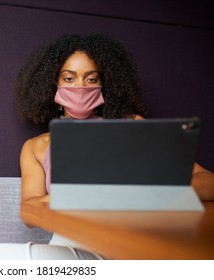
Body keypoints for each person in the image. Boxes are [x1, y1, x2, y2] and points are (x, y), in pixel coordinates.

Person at [15, 33, 214, 237]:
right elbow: (27, 214)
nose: (81, 87)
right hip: (72, 246)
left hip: (133, 240)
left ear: (105, 84)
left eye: (91, 78)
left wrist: (148, 193)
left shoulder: (132, 126)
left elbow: (208, 181)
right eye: (69, 78)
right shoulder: (35, 147)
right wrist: (64, 199)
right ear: (53, 84)